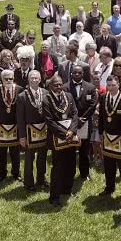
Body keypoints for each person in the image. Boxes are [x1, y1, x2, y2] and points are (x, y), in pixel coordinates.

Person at [44, 74, 81, 206]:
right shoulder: (46, 100)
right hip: (57, 138)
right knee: (58, 168)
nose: (59, 87)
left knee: (71, 165)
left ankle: (67, 190)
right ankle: (54, 196)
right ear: (50, 86)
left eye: (60, 84)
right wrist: (64, 133)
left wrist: (72, 131)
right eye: (56, 85)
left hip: (70, 136)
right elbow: (49, 121)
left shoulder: (69, 96)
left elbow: (75, 114)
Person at [98, 76, 121, 200]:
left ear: (118, 84)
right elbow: (102, 117)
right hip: (107, 137)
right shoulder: (103, 97)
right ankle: (109, 187)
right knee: (108, 165)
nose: (111, 88)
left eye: (113, 85)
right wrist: (100, 132)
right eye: (109, 85)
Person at [68, 65, 98, 181]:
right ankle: (70, 173)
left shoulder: (90, 87)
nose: (77, 75)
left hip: (85, 122)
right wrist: (76, 120)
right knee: (70, 149)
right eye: (74, 73)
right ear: (71, 74)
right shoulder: (66, 87)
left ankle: (84, 174)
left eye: (79, 73)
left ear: (83, 74)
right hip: (71, 123)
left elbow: (93, 105)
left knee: (84, 150)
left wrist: (83, 118)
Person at [0, 70, 22, 181]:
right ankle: (2, 174)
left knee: (15, 152)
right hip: (1, 126)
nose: (9, 81)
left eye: (11, 78)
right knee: (2, 152)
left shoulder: (19, 90)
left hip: (15, 125)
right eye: (6, 79)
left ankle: (16, 173)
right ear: (2, 79)